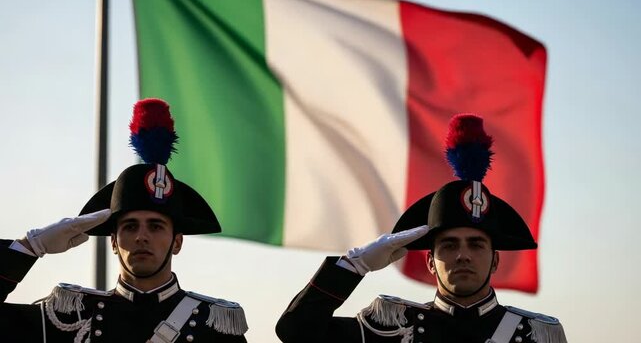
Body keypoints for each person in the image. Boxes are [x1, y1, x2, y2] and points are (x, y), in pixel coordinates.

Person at [276, 114, 567, 343]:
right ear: (430, 261)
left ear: (495, 260)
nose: (463, 255)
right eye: (449, 245)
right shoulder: (391, 328)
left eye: (476, 244)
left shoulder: (534, 335)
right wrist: (354, 265)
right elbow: (295, 332)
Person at [0, 98, 248, 342]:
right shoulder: (69, 318)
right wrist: (28, 247)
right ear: (114, 242)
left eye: (156, 226)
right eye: (130, 226)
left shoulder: (213, 327)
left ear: (177, 242)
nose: (142, 236)